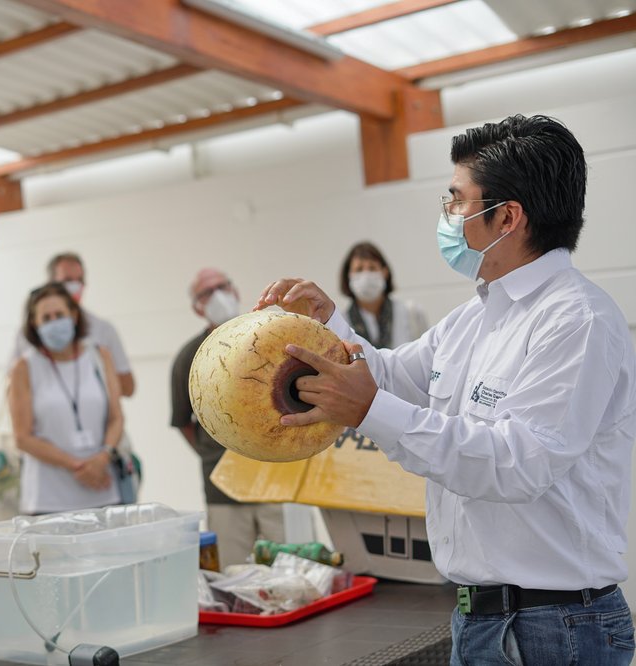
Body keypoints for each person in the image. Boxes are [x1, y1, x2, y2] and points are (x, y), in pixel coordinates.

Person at [258, 115, 635, 664]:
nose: (448, 216)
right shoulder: (474, 318)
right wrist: (330, 324)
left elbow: (519, 462)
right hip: (481, 620)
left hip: (554, 628)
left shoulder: (576, 321)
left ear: (507, 217)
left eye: (457, 201)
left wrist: (369, 410)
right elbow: (390, 378)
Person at [170, 269, 284, 567]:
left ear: (234, 290)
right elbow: (182, 419)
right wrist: (213, 451)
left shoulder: (270, 335)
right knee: (235, 574)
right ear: (197, 306)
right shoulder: (189, 357)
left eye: (222, 286)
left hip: (276, 478)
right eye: (207, 292)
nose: (217, 295)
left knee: (292, 569)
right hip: (223, 489)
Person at [8, 282, 124, 514]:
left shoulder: (99, 356)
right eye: (46, 318)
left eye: (59, 315)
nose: (54, 322)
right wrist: (78, 466)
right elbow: (22, 437)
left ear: (73, 315)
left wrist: (102, 458)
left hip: (102, 488)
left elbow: (116, 418)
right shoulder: (24, 367)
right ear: (34, 324)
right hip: (48, 498)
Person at [11, 252, 134, 396]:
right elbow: (12, 384)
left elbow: (128, 388)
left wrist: (95, 376)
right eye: (68, 280)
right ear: (51, 283)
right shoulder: (28, 334)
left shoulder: (103, 330)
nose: (75, 286)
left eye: (80, 280)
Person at [339, 242, 428, 348]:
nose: (366, 275)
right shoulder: (341, 323)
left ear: (384, 272)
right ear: (348, 276)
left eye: (372, 268)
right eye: (359, 269)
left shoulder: (411, 313)